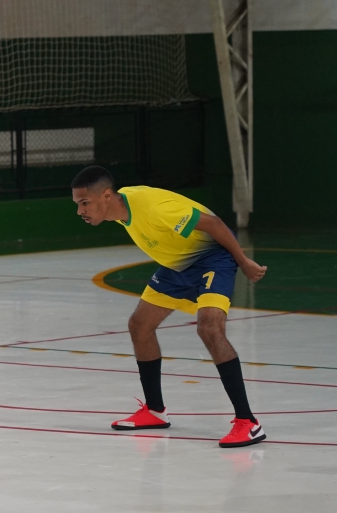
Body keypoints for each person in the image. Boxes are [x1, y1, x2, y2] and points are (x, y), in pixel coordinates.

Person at [71, 166, 269, 447]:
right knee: (140, 325)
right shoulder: (118, 207)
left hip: (213, 257)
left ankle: (248, 422)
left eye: (84, 203)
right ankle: (154, 411)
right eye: (78, 204)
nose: (80, 211)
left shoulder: (155, 209)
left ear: (105, 196)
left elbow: (214, 224)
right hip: (178, 264)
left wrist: (243, 261)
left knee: (209, 328)